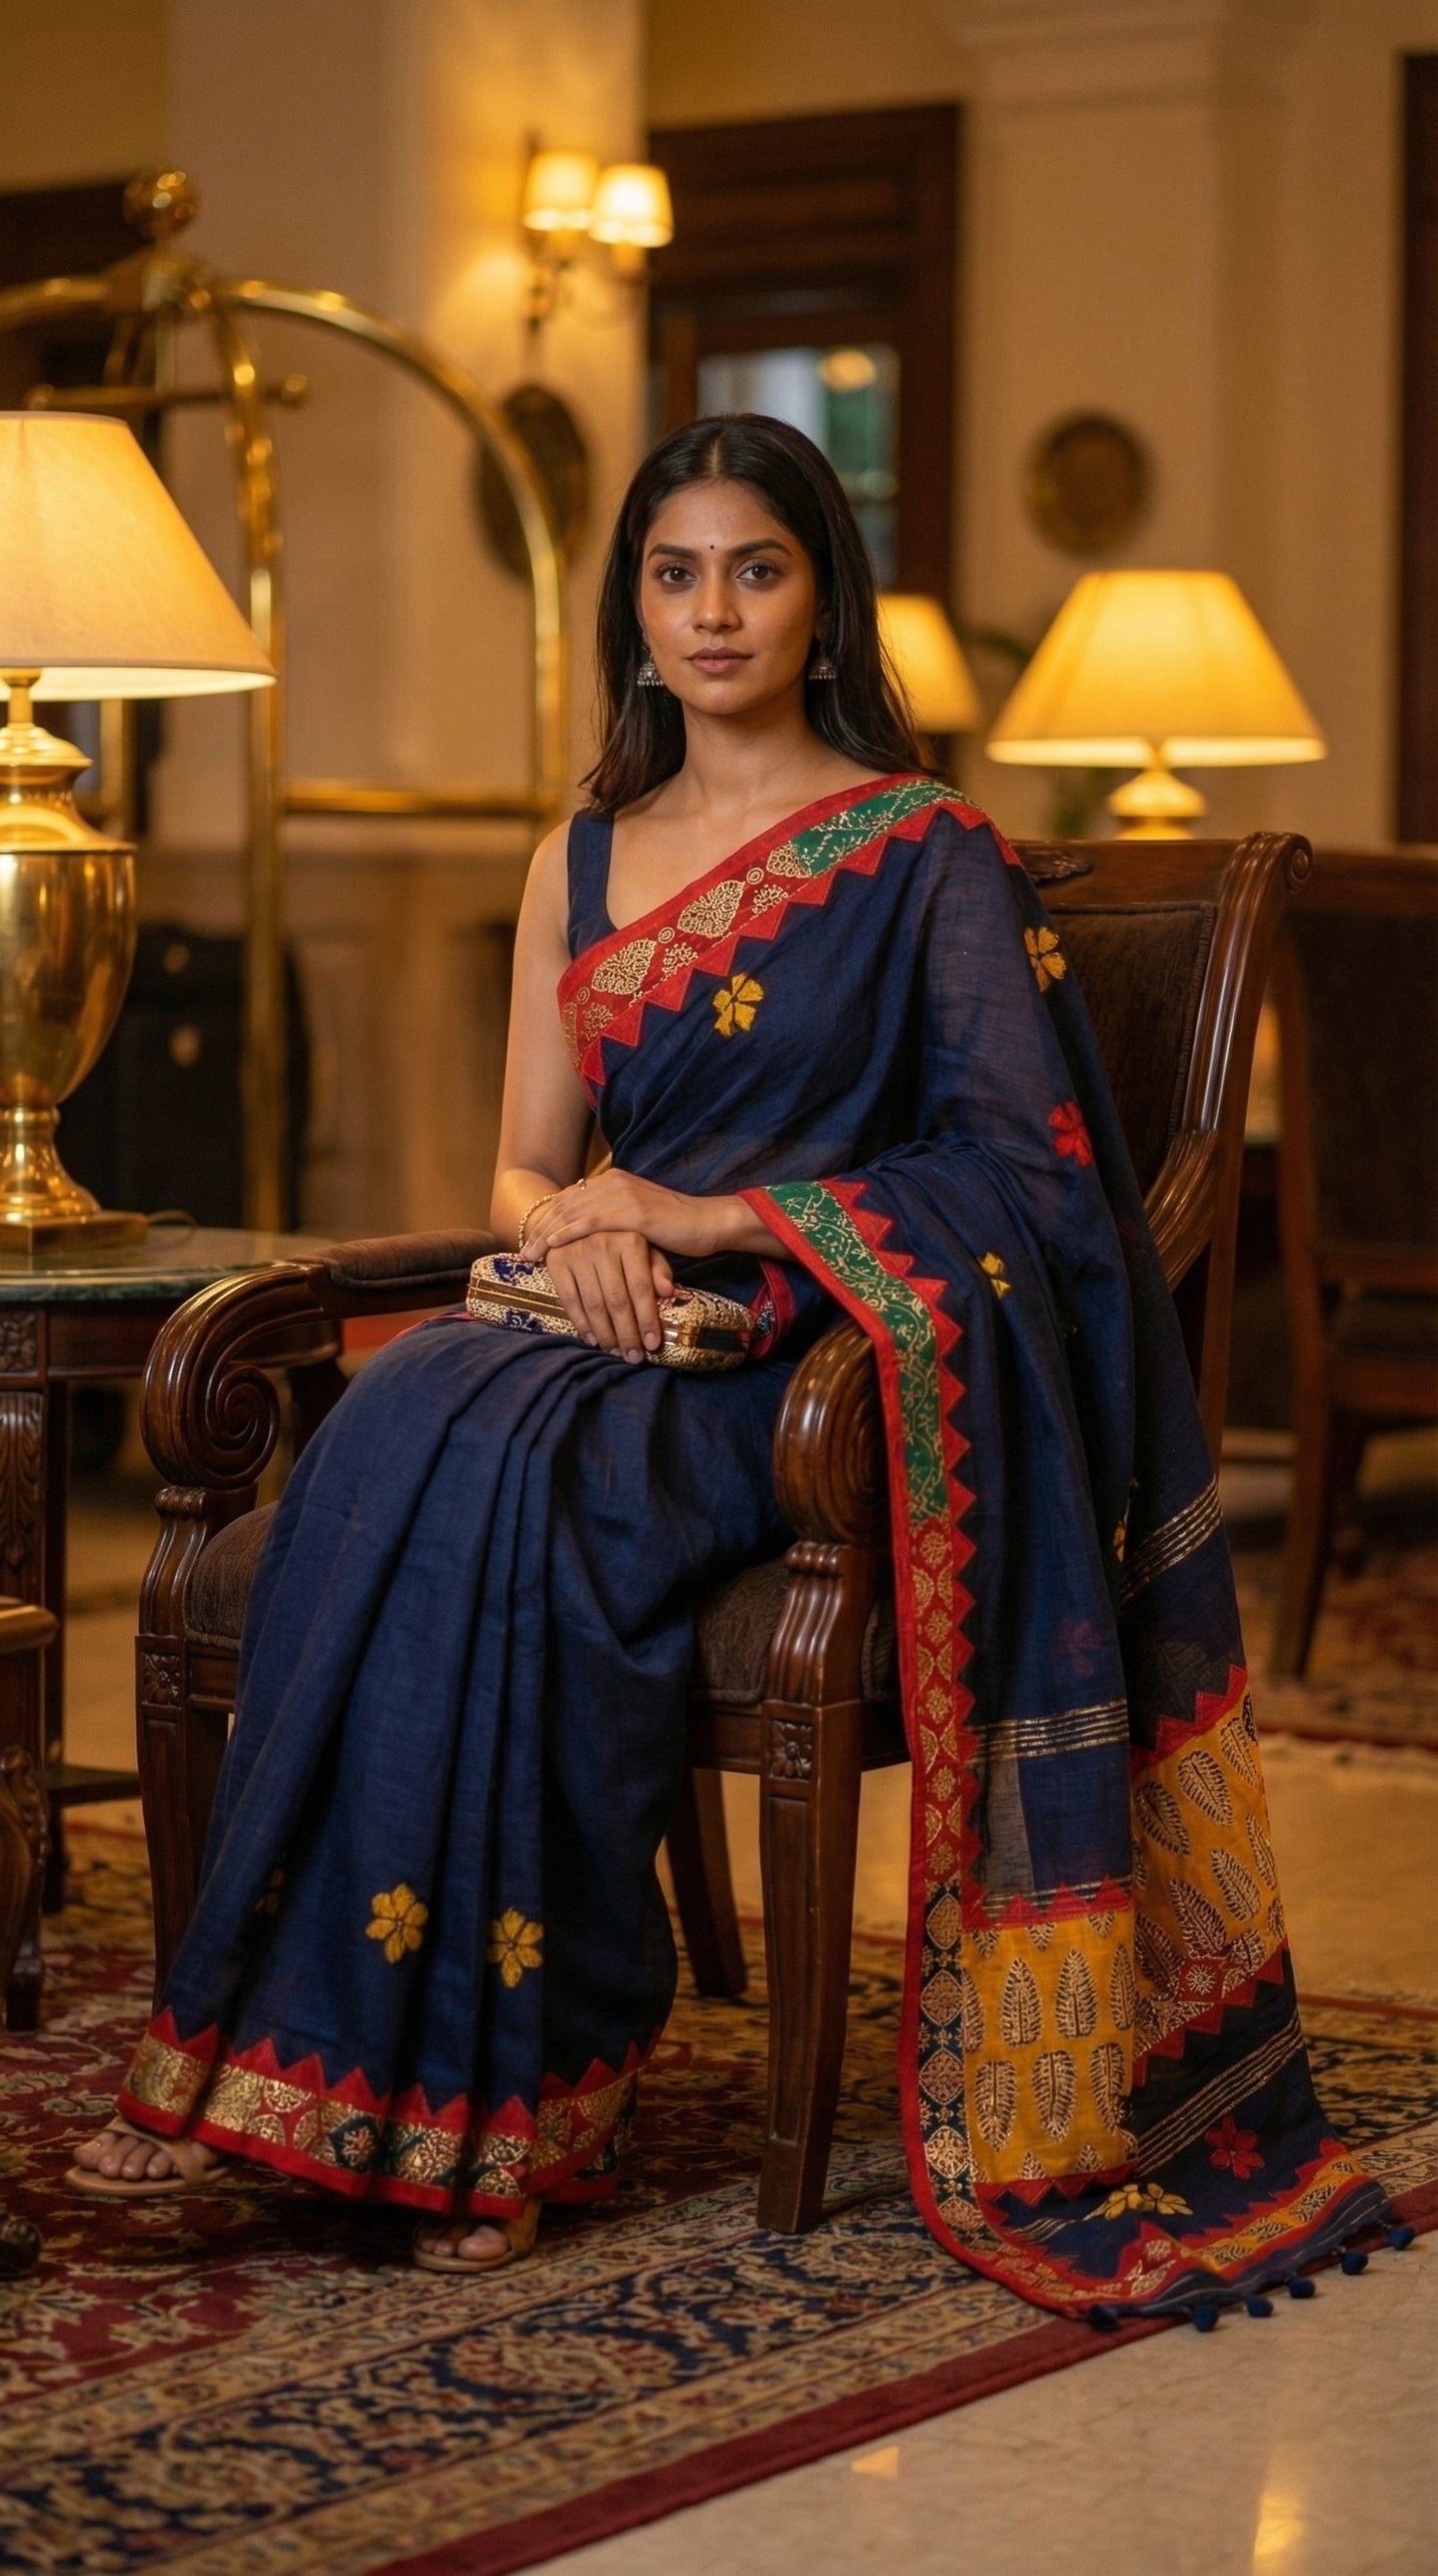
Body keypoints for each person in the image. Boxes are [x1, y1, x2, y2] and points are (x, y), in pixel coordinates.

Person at [72, 417, 1380, 2313]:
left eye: (751, 569)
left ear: (817, 594)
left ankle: (502, 2096)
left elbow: (1018, 1176)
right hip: (583, 1310)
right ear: (632, 606)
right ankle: (294, 2059)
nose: (712, 610)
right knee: (389, 1435)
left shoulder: (919, 853)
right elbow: (522, 1162)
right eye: (673, 574)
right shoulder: (579, 855)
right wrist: (584, 1216)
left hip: (777, 1358)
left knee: (546, 1515)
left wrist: (695, 1221)